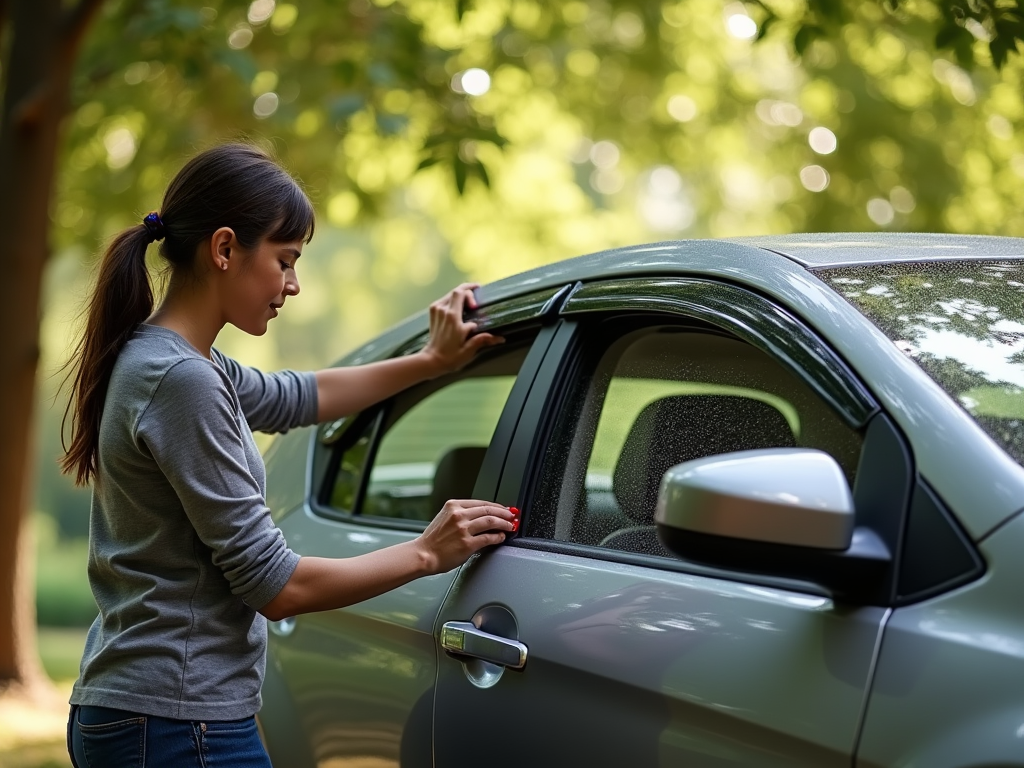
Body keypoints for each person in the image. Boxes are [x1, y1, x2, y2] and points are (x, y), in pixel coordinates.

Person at [59, 143, 515, 767]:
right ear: (224, 249)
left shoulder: (174, 362)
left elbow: (300, 396)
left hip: (151, 712)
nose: (294, 286)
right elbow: (278, 587)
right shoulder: (180, 380)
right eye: (286, 260)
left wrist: (432, 362)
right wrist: (427, 553)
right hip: (174, 720)